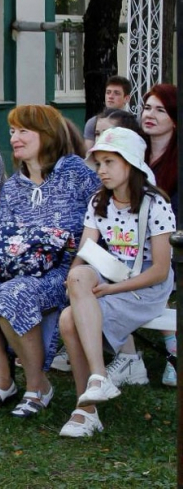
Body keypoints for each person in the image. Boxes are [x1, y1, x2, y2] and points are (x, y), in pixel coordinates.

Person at [0, 105, 100, 417]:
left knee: (14, 295)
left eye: (22, 131)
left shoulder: (78, 175)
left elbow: (103, 225)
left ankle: (38, 385)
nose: (14, 139)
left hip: (66, 270)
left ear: (46, 135)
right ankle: (2, 381)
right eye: (12, 132)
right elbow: (3, 236)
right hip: (16, 268)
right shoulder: (14, 186)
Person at [58, 128, 174, 437]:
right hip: (112, 272)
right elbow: (84, 254)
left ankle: (86, 410)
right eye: (99, 163)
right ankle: (98, 378)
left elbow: (161, 271)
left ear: (131, 164)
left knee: (69, 321)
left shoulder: (155, 204)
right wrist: (74, 284)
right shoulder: (99, 201)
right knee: (78, 274)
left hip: (146, 286)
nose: (102, 170)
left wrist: (109, 290)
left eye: (109, 162)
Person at [140, 83, 178, 387]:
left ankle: (174, 353)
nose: (150, 115)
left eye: (160, 110)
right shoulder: (132, 154)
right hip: (130, 242)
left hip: (172, 244)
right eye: (147, 107)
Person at [83, 75, 132, 148]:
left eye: (116, 93)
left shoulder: (131, 123)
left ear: (126, 98)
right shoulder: (93, 123)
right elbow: (88, 153)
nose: (111, 96)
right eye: (108, 92)